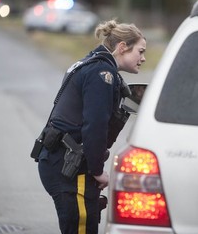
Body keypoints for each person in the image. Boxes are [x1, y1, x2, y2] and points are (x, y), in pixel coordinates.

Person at [37, 19, 146, 234]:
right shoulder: (102, 75)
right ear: (122, 47)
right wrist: (97, 172)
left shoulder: (90, 63)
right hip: (70, 169)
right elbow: (95, 127)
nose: (143, 58)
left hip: (57, 161)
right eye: (140, 51)